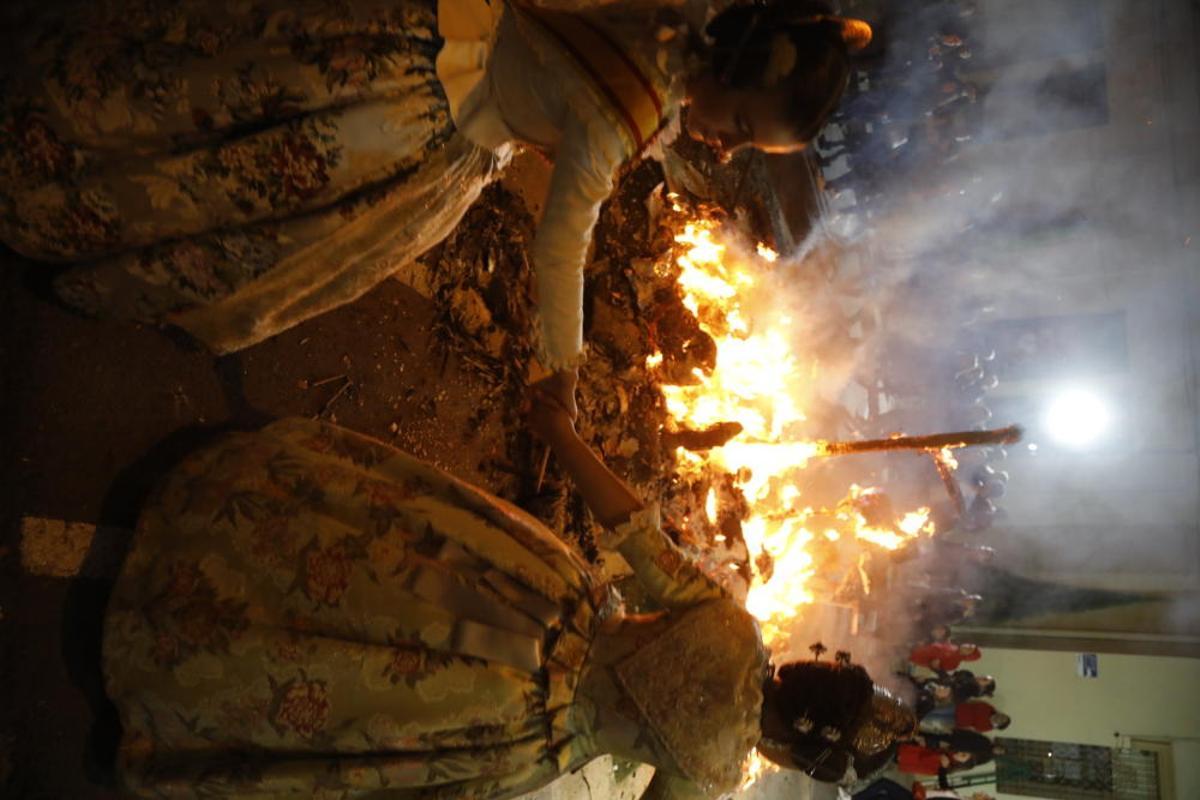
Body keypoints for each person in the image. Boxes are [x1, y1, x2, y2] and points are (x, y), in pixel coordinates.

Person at [0, 0, 869, 410]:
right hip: (421, 125)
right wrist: (561, 371)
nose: (727, 148)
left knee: (221, 74)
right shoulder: (630, 112)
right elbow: (561, 242)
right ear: (738, 71)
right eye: (742, 127)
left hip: (426, 28)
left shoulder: (678, 19)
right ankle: (71, 211)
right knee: (267, 192)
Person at [101, 392, 913, 797]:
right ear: (798, 748)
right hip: (512, 729)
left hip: (531, 598)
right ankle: (190, 667)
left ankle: (221, 535)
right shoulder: (713, 772)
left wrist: (562, 433)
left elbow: (634, 529)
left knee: (370, 568)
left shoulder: (736, 625)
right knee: (352, 686)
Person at [909, 641, 980, 673]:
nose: (967, 646)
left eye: (970, 649)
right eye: (970, 645)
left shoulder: (954, 664)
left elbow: (936, 669)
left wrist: (935, 666)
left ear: (968, 655)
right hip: (914, 646)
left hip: (914, 656)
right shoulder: (953, 645)